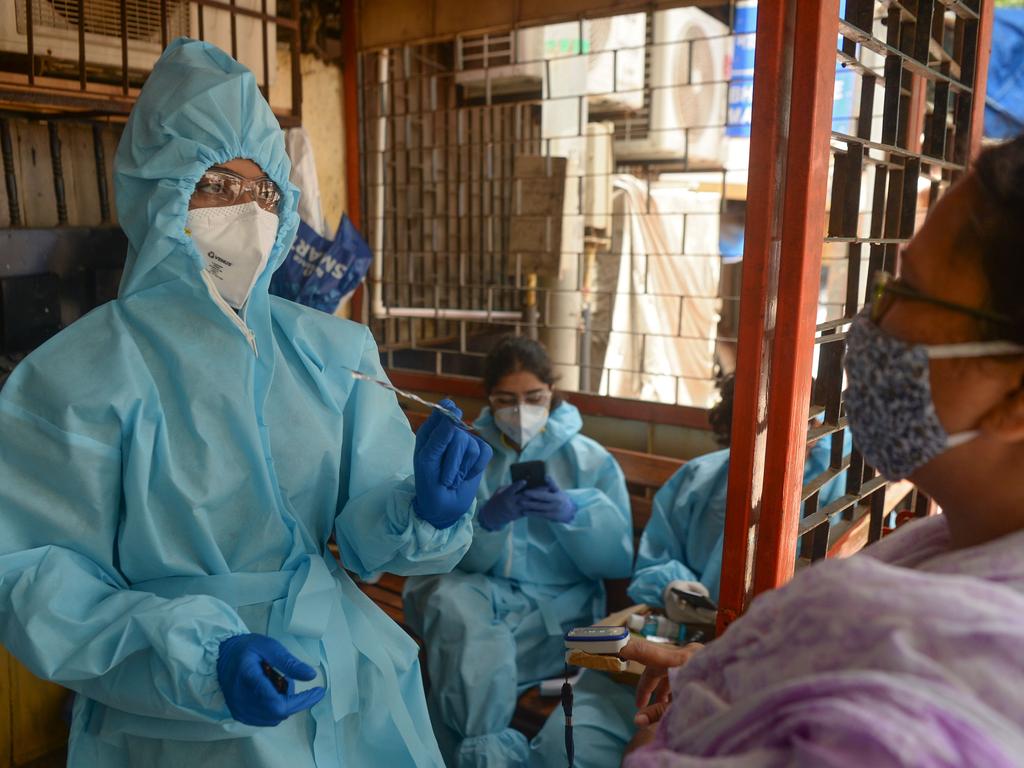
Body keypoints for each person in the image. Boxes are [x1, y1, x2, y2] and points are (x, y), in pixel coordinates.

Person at [0, 39, 493, 768]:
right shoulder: (76, 379)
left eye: (265, 193)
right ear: (161, 194)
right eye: (218, 188)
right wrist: (201, 657)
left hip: (346, 682)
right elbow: (29, 574)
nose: (248, 214)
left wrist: (422, 506)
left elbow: (364, 542)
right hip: (175, 713)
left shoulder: (330, 353)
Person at [620, 135, 1024, 767]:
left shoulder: (913, 725)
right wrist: (717, 674)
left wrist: (651, 747)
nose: (870, 323)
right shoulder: (946, 552)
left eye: (907, 293)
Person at [529, 375, 850, 768]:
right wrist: (675, 588)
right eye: (759, 419)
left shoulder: (842, 489)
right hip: (664, 656)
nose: (789, 433)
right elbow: (651, 566)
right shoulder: (699, 479)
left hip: (763, 673)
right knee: (559, 749)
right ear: (738, 420)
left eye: (807, 420)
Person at [402, 335, 634, 768]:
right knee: (453, 606)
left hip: (558, 613)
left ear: (553, 394)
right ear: (490, 399)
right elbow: (453, 560)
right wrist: (486, 520)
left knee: (463, 662)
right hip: (485, 599)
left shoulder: (591, 461)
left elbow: (616, 562)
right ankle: (485, 753)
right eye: (506, 399)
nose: (520, 411)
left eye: (533, 397)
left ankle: (472, 754)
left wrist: (574, 514)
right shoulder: (473, 454)